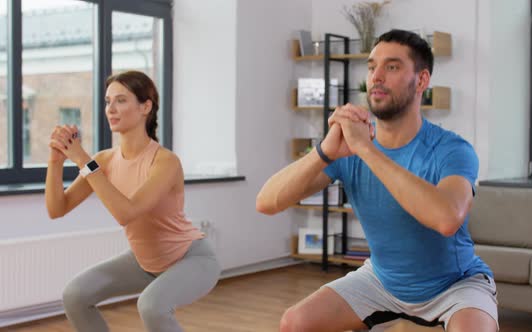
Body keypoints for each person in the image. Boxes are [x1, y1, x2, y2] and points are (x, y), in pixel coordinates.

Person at [256, 29, 497, 332]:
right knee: (295, 323)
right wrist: (325, 151)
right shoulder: (347, 149)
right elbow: (266, 202)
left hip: (454, 284)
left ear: (421, 80)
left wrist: (366, 149)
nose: (376, 77)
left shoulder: (452, 149)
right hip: (381, 280)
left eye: (392, 67)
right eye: (371, 67)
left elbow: (447, 218)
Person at [45, 70, 220, 332]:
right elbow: (57, 209)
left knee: (152, 306)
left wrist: (83, 160)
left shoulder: (165, 162)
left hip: (191, 260)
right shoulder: (104, 161)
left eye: (121, 100)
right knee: (75, 295)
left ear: (145, 106)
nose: (111, 109)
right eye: (107, 101)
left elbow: (127, 213)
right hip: (143, 262)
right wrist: (55, 162)